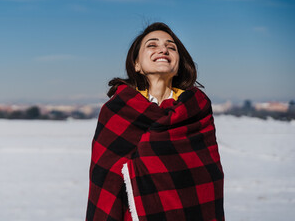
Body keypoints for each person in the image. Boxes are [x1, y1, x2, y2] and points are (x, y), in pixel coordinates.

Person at [86, 22, 224, 221]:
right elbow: (104, 180)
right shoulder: (116, 111)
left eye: (171, 47)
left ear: (178, 66)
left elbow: (208, 179)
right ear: (137, 65)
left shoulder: (196, 109)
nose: (163, 49)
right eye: (152, 45)